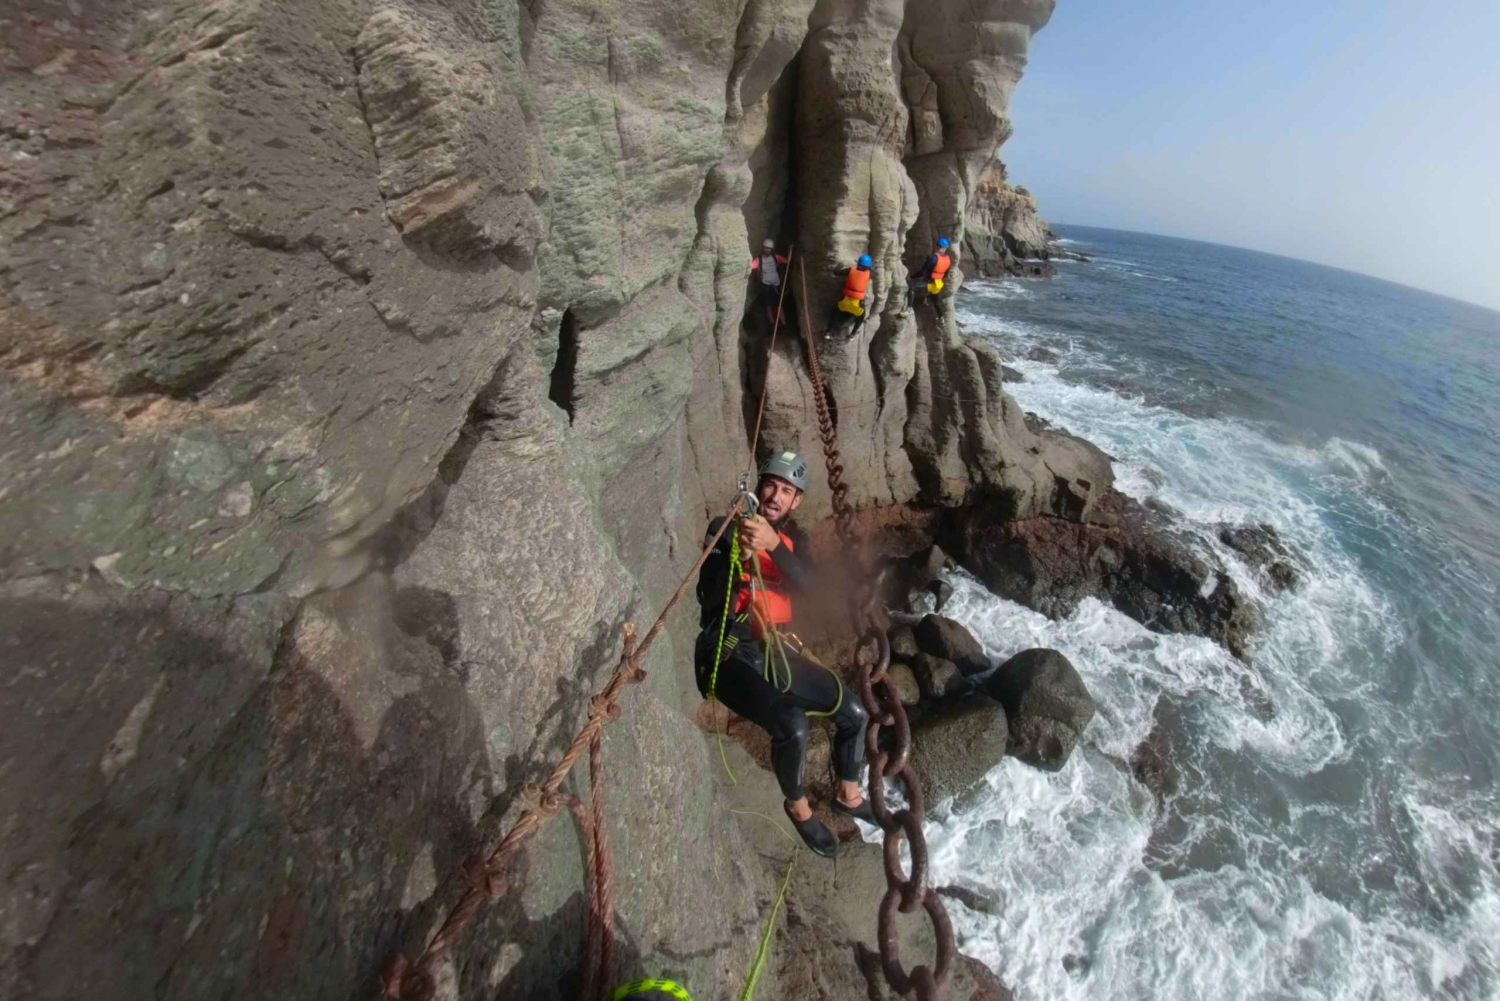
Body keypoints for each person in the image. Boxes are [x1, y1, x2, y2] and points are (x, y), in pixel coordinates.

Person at [694, 451, 872, 857]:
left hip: (774, 647)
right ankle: (797, 806)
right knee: (793, 726)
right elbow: (708, 595)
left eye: (786, 491)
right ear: (758, 487)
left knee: (854, 713)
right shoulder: (725, 528)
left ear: (796, 501)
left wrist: (774, 547)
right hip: (728, 652)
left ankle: (848, 794)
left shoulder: (795, 542)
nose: (775, 496)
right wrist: (736, 558)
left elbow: (811, 588)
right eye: (771, 485)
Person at [826, 253, 872, 338]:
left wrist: (838, 266)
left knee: (834, 314)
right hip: (856, 305)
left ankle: (828, 332)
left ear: (858, 263)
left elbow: (836, 272)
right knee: (860, 317)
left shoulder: (851, 270)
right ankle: (852, 335)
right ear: (867, 267)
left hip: (845, 301)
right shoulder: (868, 274)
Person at [747, 238, 789, 327]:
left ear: (771, 249)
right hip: (765, 286)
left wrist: (790, 250)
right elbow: (750, 267)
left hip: (776, 285)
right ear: (763, 248)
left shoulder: (776, 257)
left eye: (769, 248)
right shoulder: (759, 260)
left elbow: (787, 261)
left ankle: (784, 324)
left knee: (779, 305)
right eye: (766, 248)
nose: (767, 250)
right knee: (768, 306)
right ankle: (772, 324)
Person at [905, 236, 953, 309]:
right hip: (938, 285)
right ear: (945, 248)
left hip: (929, 284)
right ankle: (941, 316)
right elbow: (945, 274)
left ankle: (909, 309)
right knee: (936, 302)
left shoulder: (934, 258)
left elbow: (922, 273)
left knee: (911, 287)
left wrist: (911, 277)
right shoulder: (947, 259)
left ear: (937, 246)